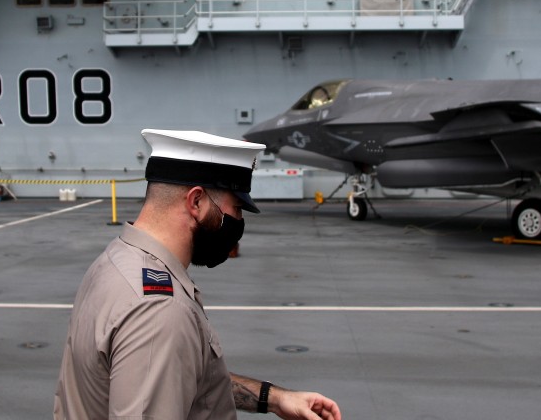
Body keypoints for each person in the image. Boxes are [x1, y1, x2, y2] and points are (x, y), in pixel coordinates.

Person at [55, 128, 343, 420]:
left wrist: (273, 398)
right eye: (236, 208)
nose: (239, 221)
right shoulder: (159, 311)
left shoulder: (116, 260)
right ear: (196, 202)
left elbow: (182, 376)